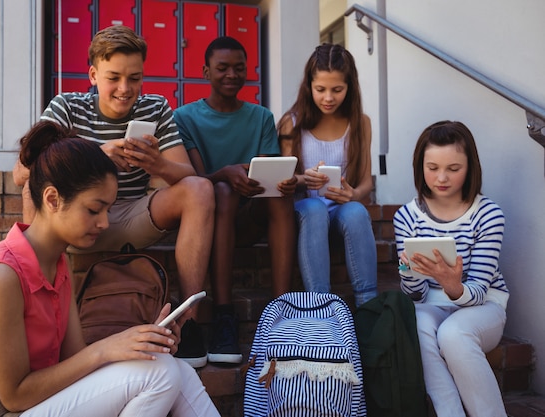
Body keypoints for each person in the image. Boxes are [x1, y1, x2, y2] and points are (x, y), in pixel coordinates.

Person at [0, 121, 220, 417]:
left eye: (108, 210)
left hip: (30, 403)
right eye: (93, 210)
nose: (105, 223)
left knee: (175, 368)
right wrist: (107, 348)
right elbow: (16, 395)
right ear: (52, 199)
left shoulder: (57, 263)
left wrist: (143, 339)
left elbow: (73, 359)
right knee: (159, 373)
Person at [12, 25, 214, 368]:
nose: (125, 89)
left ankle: (190, 320)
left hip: (134, 215)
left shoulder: (155, 108)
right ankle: (35, 301)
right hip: (77, 219)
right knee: (33, 188)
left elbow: (188, 176)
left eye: (134, 78)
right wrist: (96, 154)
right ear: (92, 74)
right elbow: (21, 172)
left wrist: (158, 164)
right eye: (114, 77)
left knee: (200, 189)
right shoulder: (67, 107)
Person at [173, 36, 297, 364]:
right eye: (222, 68)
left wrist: (279, 180)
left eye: (239, 68)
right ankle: (225, 314)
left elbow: (267, 171)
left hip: (252, 216)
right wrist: (227, 172)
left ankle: (282, 314)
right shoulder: (185, 117)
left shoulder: (260, 117)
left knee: (282, 196)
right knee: (222, 191)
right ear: (205, 71)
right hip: (211, 222)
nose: (232, 74)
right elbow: (197, 180)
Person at [393, 120, 509, 417]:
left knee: (454, 334)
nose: (441, 178)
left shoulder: (487, 215)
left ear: (470, 167)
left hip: (483, 307)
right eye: (432, 168)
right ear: (420, 166)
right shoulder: (407, 216)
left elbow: (480, 292)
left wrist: (452, 284)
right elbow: (416, 296)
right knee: (418, 324)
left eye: (453, 169)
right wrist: (409, 273)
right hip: (431, 305)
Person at [277, 43, 378, 307]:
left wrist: (354, 194)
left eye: (337, 90)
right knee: (314, 209)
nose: (328, 98)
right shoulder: (293, 121)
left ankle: (368, 305)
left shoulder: (361, 123)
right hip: (305, 209)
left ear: (350, 87)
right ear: (309, 86)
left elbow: (367, 180)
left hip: (340, 210)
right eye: (320, 89)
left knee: (357, 212)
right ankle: (319, 303)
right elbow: (282, 177)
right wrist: (302, 179)